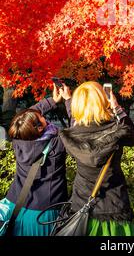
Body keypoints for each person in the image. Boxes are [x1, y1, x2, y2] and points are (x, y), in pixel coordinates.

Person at [58, 81, 134, 236]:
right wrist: (116, 108)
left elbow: (77, 124)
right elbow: (133, 137)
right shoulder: (117, 130)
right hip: (114, 205)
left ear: (77, 106)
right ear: (103, 100)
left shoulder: (71, 135)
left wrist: (68, 100)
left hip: (82, 206)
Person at [1, 85, 69, 236]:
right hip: (43, 213)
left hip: (15, 205)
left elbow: (28, 115)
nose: (42, 115)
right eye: (41, 118)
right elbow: (79, 130)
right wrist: (67, 100)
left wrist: (52, 100)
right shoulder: (57, 144)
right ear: (38, 128)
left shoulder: (18, 138)